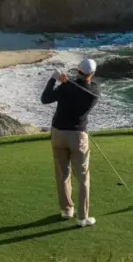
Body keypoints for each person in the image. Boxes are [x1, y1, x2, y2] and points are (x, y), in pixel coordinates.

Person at [41, 58, 100, 227]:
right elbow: (83, 88)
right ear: (92, 74)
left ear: (78, 71)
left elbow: (45, 99)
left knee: (62, 174)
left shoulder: (67, 87)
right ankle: (82, 217)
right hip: (78, 136)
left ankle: (67, 210)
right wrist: (68, 83)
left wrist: (54, 79)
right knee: (82, 178)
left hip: (58, 133)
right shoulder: (95, 90)